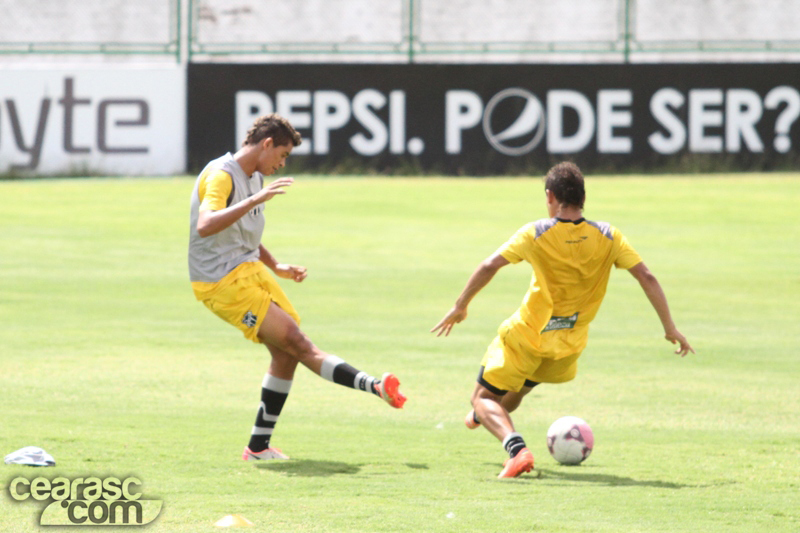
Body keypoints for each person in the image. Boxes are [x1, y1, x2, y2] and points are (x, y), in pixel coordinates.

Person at [431, 162, 693, 478]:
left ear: (550, 196)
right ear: (583, 198)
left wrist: (461, 306)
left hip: (528, 335)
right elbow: (646, 276)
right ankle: (482, 416)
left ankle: (516, 450)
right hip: (567, 345)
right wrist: (669, 327)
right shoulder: (609, 236)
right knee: (511, 395)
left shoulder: (536, 232)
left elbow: (489, 265)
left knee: (483, 397)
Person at [188, 113, 406, 461]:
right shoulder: (221, 176)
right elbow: (206, 224)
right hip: (220, 283)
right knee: (297, 343)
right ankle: (375, 386)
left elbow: (242, 233)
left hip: (248, 272)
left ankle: (258, 448)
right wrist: (253, 201)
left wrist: (276, 266)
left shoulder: (254, 175)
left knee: (285, 353)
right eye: (283, 155)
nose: (282, 163)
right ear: (267, 144)